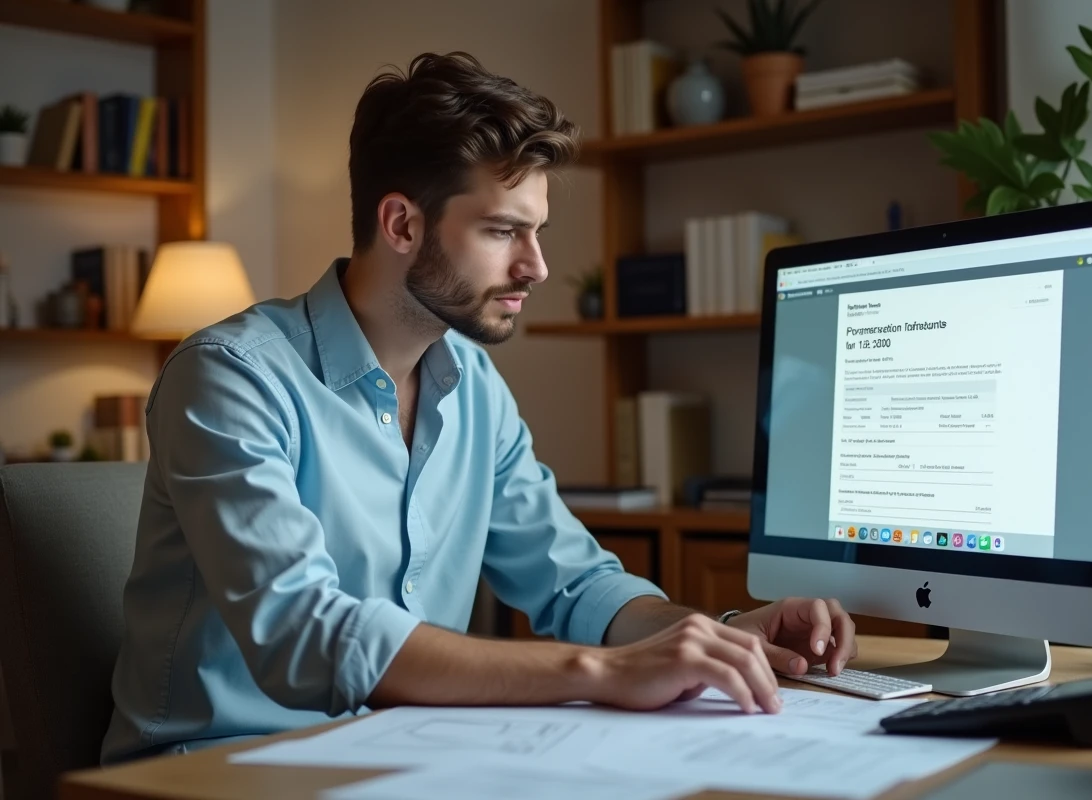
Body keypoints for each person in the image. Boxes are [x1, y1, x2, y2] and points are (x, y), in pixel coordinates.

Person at [101, 51, 858, 764]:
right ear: (401, 224)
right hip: (217, 770)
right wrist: (600, 671)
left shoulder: (473, 385)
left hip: (402, 757)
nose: (537, 265)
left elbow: (573, 583)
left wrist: (712, 636)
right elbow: (302, 634)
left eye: (537, 231)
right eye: (503, 231)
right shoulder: (229, 378)